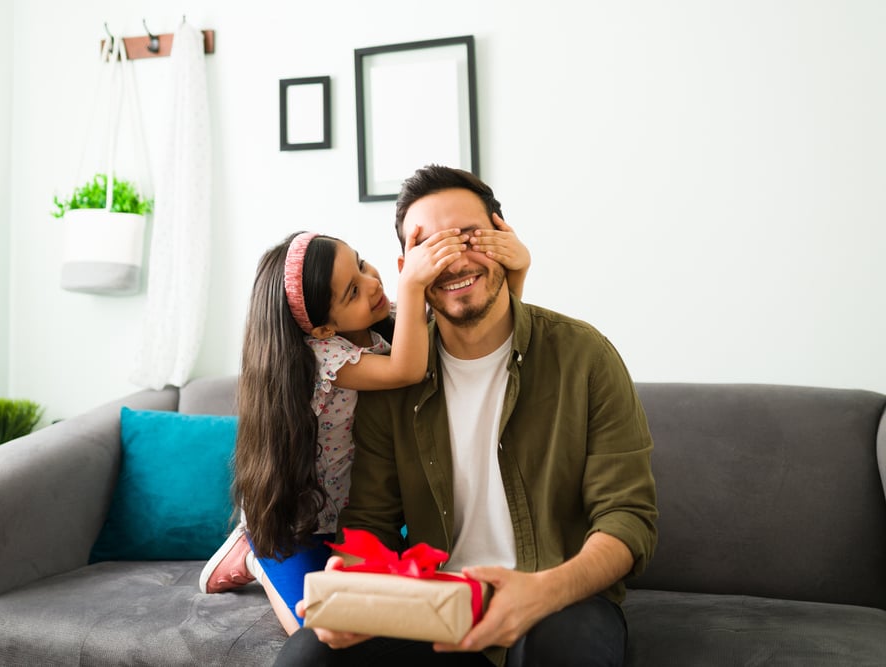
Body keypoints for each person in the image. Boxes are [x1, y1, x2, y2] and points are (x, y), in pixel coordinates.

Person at [278, 165, 658, 667]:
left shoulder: (585, 356)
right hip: (433, 605)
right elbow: (369, 523)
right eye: (431, 246)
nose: (454, 260)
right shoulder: (392, 380)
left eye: (468, 237)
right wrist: (348, 596)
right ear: (407, 268)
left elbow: (628, 518)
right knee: (309, 654)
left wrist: (544, 590)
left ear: (503, 239)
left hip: (560, 602)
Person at [201, 220, 531, 635]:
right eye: (352, 291)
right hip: (298, 522)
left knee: (384, 610)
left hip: (357, 514)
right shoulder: (321, 356)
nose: (372, 282)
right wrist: (411, 282)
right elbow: (407, 370)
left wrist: (516, 273)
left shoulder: (390, 325)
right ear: (322, 329)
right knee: (317, 625)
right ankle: (255, 558)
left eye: (360, 265)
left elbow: (477, 335)